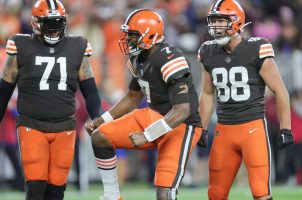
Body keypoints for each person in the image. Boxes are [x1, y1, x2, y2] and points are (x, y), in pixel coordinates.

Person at [86, 9, 206, 200]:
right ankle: (111, 196)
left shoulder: (170, 58)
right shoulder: (138, 57)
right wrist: (103, 119)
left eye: (133, 35)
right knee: (100, 137)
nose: (128, 40)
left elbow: (182, 110)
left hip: (181, 125)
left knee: (164, 193)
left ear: (149, 34)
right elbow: (133, 96)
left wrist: (147, 135)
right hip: (153, 115)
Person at [0, 0, 101, 199]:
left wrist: (97, 117)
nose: (54, 29)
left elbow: (90, 90)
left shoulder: (77, 45)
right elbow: (4, 89)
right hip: (32, 125)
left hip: (65, 126)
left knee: (56, 189)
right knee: (36, 185)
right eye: (49, 23)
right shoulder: (20, 44)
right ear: (36, 23)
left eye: (57, 23)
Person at [197, 0, 294, 200]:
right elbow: (207, 93)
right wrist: (202, 128)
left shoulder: (256, 48)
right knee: (215, 193)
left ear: (236, 22)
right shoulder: (208, 51)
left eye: (220, 21)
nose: (215, 27)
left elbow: (280, 90)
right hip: (223, 130)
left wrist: (286, 128)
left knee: (260, 191)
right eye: (213, 21)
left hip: (253, 128)